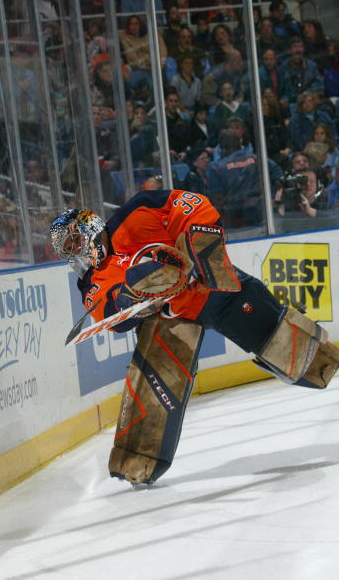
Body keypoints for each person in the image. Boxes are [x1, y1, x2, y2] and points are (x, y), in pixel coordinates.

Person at [50, 188, 339, 485]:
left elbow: (189, 203)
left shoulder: (135, 213)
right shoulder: (91, 283)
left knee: (293, 350)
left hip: (212, 290)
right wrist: (127, 299)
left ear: (90, 227)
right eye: (65, 249)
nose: (72, 252)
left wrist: (199, 241)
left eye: (73, 241)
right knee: (155, 383)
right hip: (169, 320)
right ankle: (139, 461)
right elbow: (112, 316)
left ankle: (325, 363)